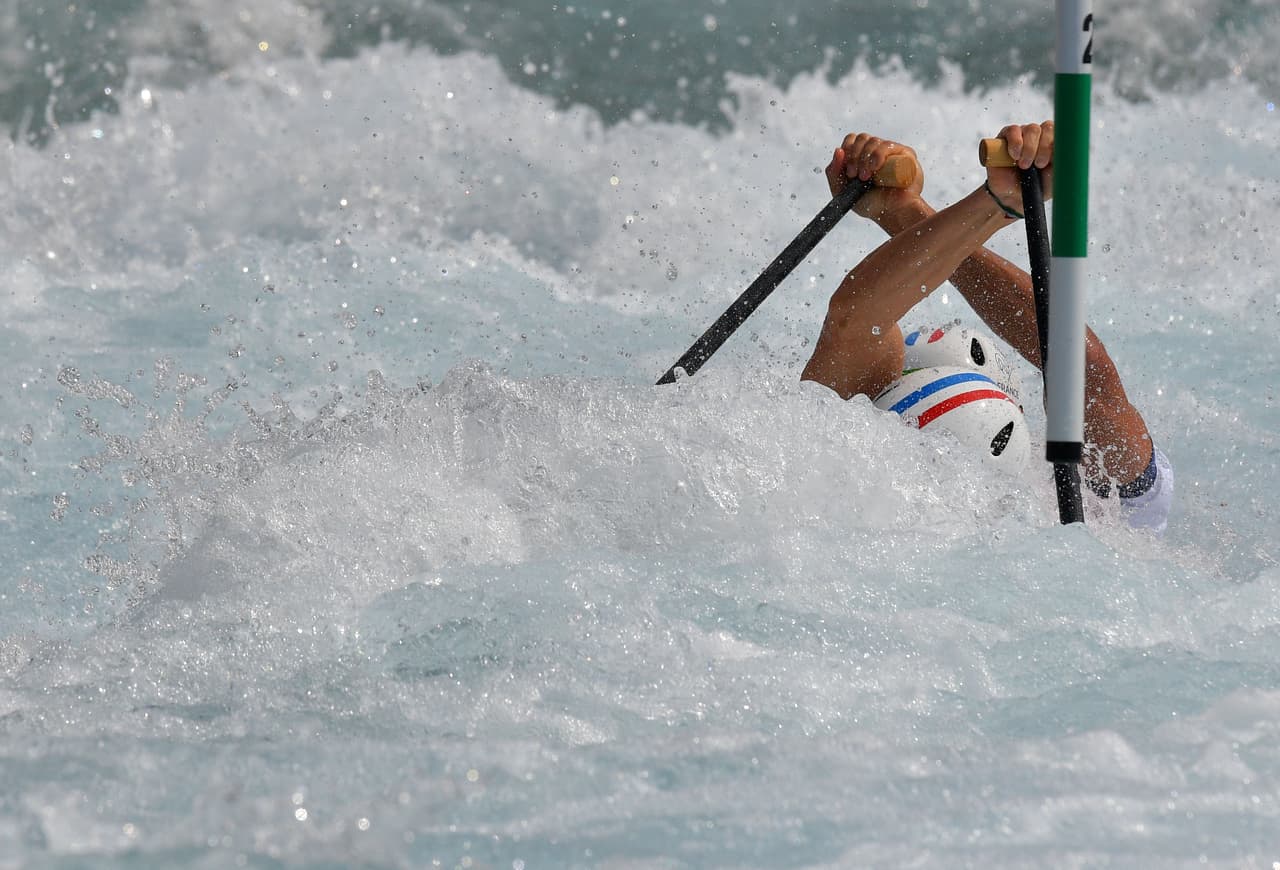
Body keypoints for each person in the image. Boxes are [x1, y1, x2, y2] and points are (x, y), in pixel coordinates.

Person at [801, 122, 1173, 532]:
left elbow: (854, 318)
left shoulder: (823, 472)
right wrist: (988, 204)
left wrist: (913, 212)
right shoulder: (1109, 516)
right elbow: (1082, 371)